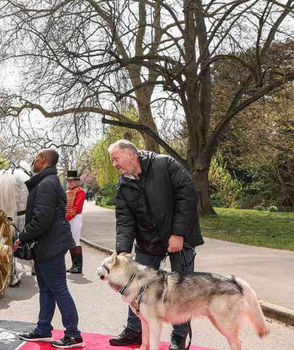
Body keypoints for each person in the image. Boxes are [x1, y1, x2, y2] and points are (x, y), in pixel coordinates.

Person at [107, 139, 204, 350]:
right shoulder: (123, 185)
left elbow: (187, 197)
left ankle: (179, 335)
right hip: (147, 240)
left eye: (116, 159)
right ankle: (134, 330)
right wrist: (123, 250)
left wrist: (178, 234)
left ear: (130, 154)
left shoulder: (164, 164)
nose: (114, 164)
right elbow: (124, 219)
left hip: (180, 237)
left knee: (182, 288)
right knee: (135, 284)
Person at [15, 149, 85, 348]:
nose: (33, 162)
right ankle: (43, 329)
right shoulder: (49, 181)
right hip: (49, 243)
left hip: (50, 244)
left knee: (59, 289)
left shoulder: (46, 183)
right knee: (46, 289)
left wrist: (22, 236)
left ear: (43, 160)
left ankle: (73, 334)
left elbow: (42, 220)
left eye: (36, 159)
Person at [65, 170, 85, 274]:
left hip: (75, 218)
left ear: (76, 181)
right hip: (68, 218)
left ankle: (79, 266)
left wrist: (66, 217)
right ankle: (74, 265)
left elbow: (76, 207)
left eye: (72, 181)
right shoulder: (67, 192)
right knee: (70, 242)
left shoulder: (80, 191)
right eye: (68, 181)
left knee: (76, 241)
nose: (70, 183)